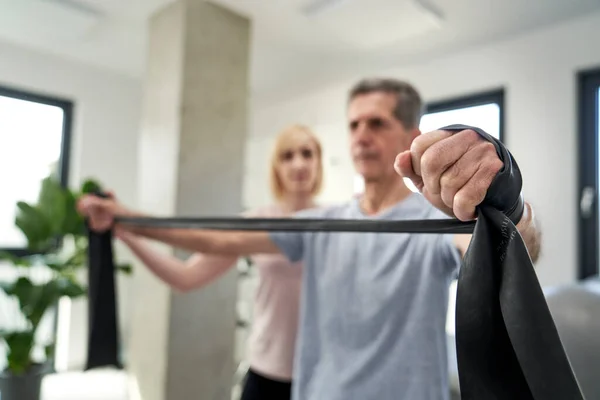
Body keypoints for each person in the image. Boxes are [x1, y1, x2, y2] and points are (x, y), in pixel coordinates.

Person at [78, 78, 542, 400]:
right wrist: (125, 219)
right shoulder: (321, 222)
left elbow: (515, 252)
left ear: (410, 134)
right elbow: (214, 240)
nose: (361, 136)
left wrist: (508, 203)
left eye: (376, 123)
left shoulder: (434, 222)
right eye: (354, 124)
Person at [107, 124, 324, 400]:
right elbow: (186, 277)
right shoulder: (257, 221)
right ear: (276, 167)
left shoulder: (337, 219)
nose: (299, 164)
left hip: (320, 373)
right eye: (288, 155)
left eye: (307, 153)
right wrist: (127, 233)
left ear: (319, 161)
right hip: (266, 372)